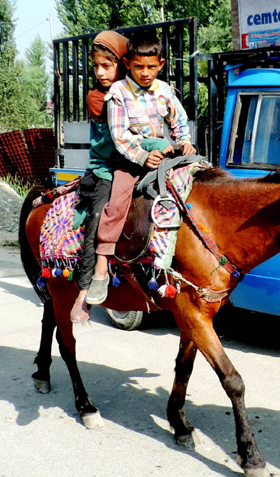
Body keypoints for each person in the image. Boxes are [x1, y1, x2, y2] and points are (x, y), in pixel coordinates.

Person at [84, 32, 196, 306]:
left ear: (161, 63)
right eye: (138, 67)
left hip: (166, 155)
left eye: (150, 67)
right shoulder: (118, 93)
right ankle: (101, 266)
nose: (145, 73)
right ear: (128, 64)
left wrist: (184, 140)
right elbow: (120, 135)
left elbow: (178, 118)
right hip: (131, 161)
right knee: (117, 203)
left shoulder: (165, 91)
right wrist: (144, 156)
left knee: (197, 184)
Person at [70, 30, 130, 323]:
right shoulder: (98, 98)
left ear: (122, 64)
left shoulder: (135, 94)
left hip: (136, 164)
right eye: (96, 66)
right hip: (107, 167)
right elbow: (117, 144)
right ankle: (86, 289)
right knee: (99, 218)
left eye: (107, 65)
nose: (100, 72)